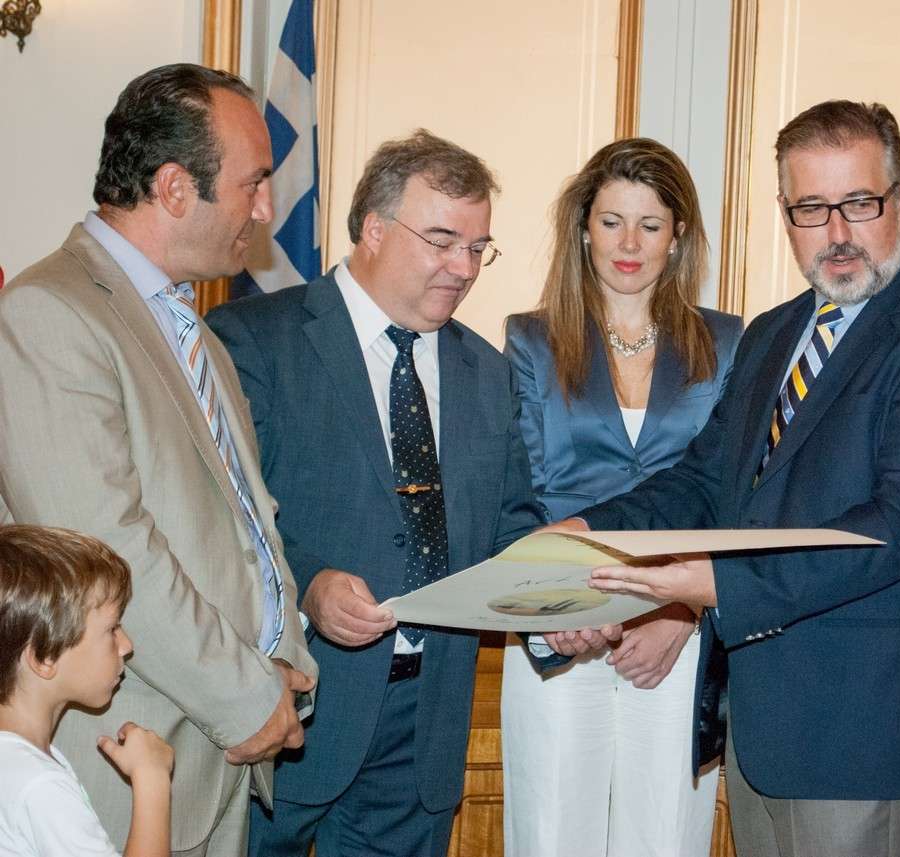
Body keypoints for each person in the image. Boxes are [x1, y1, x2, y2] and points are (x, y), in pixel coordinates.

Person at [553, 99, 900, 857]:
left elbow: (896, 529)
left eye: (859, 203)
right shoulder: (773, 332)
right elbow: (705, 481)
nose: (836, 232)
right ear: (784, 213)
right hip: (759, 731)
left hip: (860, 743)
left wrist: (716, 584)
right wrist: (586, 529)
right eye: (810, 209)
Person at [206, 129, 553, 857]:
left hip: (422, 732)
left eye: (478, 248)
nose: (464, 268)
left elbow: (509, 526)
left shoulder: (487, 371)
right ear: (373, 228)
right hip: (290, 710)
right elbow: (219, 516)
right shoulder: (252, 340)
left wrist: (561, 603)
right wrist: (309, 586)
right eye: (442, 242)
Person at [0, 64, 316, 855]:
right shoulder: (48, 313)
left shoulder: (199, 333)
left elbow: (251, 524)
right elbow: (105, 549)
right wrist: (247, 696)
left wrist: (284, 653)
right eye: (254, 182)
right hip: (120, 764)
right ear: (175, 188)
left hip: (215, 760)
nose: (266, 208)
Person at [500, 138, 743, 857]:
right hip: (558, 628)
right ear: (584, 229)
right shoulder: (530, 340)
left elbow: (734, 493)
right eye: (611, 222)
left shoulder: (728, 341)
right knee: (551, 838)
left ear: (678, 237)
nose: (629, 244)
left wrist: (683, 608)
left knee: (663, 838)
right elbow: (517, 490)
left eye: (650, 224)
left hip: (676, 637)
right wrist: (558, 608)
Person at [0, 525, 173, 857]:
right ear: (45, 658)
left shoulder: (22, 765)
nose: (126, 645)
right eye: (111, 629)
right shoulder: (39, 786)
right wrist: (152, 777)